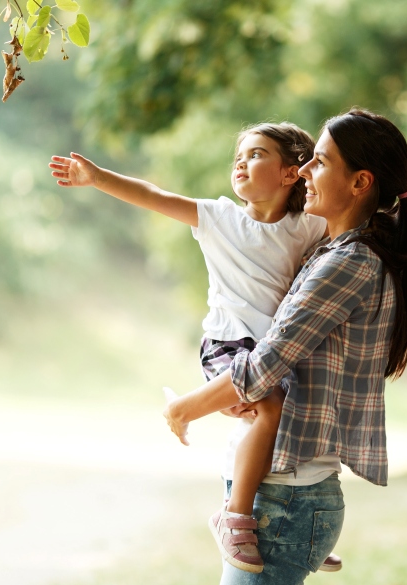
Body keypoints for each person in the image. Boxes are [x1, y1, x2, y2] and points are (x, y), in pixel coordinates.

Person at [48, 123, 344, 574]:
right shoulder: (219, 218)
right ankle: (236, 517)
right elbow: (152, 195)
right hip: (227, 343)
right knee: (270, 408)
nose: (241, 163)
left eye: (257, 154)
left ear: (290, 174)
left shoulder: (307, 227)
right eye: (239, 157)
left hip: (271, 350)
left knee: (293, 412)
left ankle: (296, 525)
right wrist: (97, 178)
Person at [162, 108, 407, 585]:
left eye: (320, 162)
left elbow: (264, 366)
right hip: (285, 493)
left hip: (286, 499)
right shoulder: (329, 250)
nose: (304, 170)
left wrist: (186, 407)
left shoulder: (348, 263)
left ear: (359, 182)